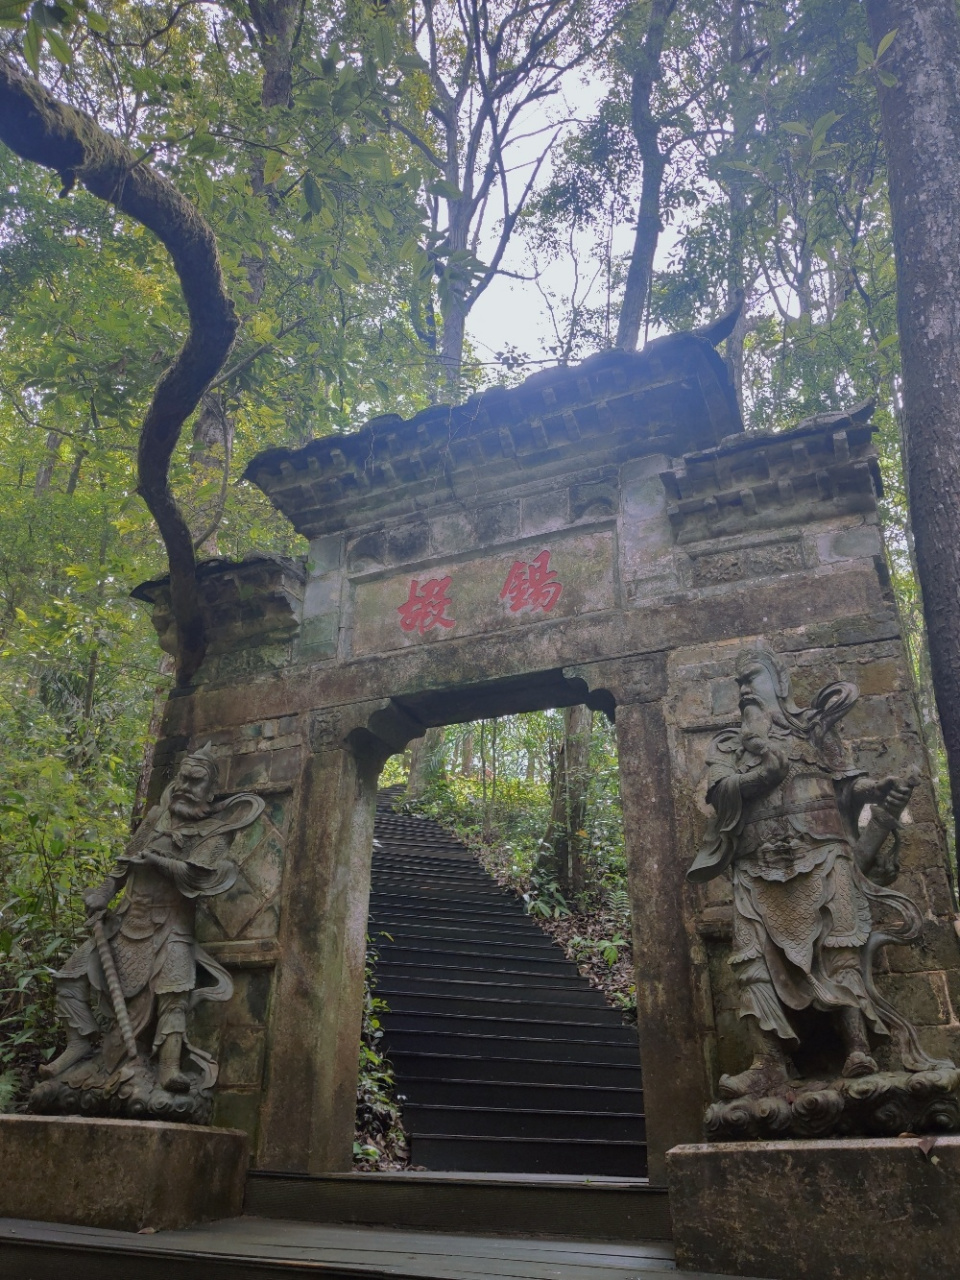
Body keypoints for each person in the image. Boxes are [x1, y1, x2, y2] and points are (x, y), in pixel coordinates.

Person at [689, 644, 949, 1097]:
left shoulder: (814, 733)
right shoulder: (728, 745)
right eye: (740, 685)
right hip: (757, 865)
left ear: (780, 681)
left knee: (839, 949)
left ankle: (857, 1046)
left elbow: (845, 782)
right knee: (752, 964)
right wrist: (762, 774)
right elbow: (718, 790)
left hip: (823, 855)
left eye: (753, 678)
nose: (746, 689)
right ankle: (768, 1061)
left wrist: (877, 787)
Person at [40, 744, 263, 1093]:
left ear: (211, 789)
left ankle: (170, 1067)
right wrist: (101, 894)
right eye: (183, 778)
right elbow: (125, 861)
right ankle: (79, 1043)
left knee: (174, 991)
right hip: (126, 920)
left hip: (171, 926)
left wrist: (158, 861)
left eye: (196, 781)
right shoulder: (156, 817)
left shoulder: (217, 831)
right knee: (71, 976)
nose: (187, 786)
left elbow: (198, 875)